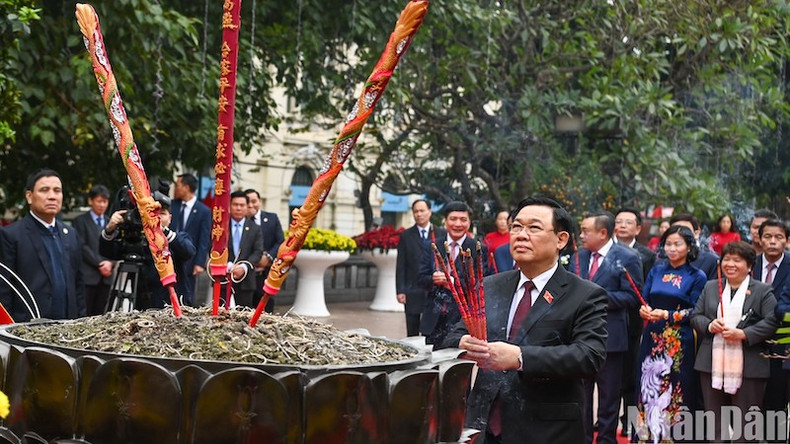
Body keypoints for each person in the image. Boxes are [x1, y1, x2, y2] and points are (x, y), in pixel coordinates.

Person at [443, 196, 608, 444]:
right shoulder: (490, 286)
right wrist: (463, 343)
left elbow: (589, 356)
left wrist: (520, 358)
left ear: (561, 240)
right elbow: (453, 337)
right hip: (484, 425)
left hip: (545, 429)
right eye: (516, 227)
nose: (521, 235)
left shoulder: (585, 294)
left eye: (534, 228)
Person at [691, 241, 778, 443]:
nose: (730, 264)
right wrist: (710, 325)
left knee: (746, 421)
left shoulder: (763, 290)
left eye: (737, 260)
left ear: (749, 266)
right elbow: (696, 316)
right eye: (727, 259)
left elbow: (772, 321)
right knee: (714, 418)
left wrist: (744, 334)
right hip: (711, 361)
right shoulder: (711, 286)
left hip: (749, 362)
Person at [570, 210, 642, 444]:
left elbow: (632, 297)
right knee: (581, 395)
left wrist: (594, 298)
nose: (581, 235)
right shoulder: (578, 256)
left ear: (602, 233)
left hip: (611, 338)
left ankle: (606, 440)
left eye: (585, 231)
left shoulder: (627, 257)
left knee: (609, 398)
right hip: (579, 338)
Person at [633, 225, 707, 443]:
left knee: (676, 387)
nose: (672, 248)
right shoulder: (657, 270)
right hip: (653, 336)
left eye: (678, 244)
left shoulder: (696, 275)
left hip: (679, 339)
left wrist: (667, 314)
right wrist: (643, 309)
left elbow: (696, 310)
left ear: (689, 247)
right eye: (668, 244)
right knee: (649, 383)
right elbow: (645, 299)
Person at [0, 169, 86, 322]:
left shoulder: (70, 233)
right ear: (29, 196)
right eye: (44, 190)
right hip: (28, 329)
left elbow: (78, 284)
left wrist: (81, 321)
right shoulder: (11, 235)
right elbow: (4, 290)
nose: (52, 196)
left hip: (68, 327)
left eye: (57, 191)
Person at [101, 189, 195, 309]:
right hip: (142, 305)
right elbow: (107, 252)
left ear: (170, 218)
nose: (156, 217)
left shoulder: (178, 238)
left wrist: (161, 231)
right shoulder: (137, 239)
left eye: (162, 213)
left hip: (172, 305)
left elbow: (188, 251)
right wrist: (109, 230)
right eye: (152, 213)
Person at [418, 201, 488, 348]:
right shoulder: (432, 246)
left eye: (463, 220)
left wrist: (452, 282)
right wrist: (433, 279)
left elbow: (482, 284)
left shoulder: (477, 249)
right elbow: (419, 279)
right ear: (445, 221)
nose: (458, 224)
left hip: (462, 321)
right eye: (453, 219)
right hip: (433, 319)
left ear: (469, 223)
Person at [613, 206, 657, 437]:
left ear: (638, 229)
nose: (622, 225)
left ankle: (630, 424)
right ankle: (605, 423)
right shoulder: (605, 251)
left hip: (632, 323)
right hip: (607, 323)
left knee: (631, 377)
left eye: (628, 222)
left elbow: (646, 291)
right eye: (618, 221)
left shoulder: (647, 256)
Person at [754, 219, 790, 442]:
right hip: (750, 343)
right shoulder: (749, 264)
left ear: (787, 240)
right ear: (759, 238)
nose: (773, 242)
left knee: (776, 402)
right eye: (768, 236)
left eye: (778, 237)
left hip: (783, 345)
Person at [72, 184, 114, 315]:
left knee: (102, 314)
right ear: (91, 201)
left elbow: (115, 246)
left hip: (107, 277)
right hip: (88, 276)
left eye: (105, 201)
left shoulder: (111, 221)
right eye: (99, 201)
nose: (102, 205)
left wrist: (110, 263)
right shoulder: (80, 221)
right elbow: (82, 246)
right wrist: (100, 263)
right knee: (85, 313)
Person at [170, 173, 211, 306]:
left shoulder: (203, 211)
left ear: (186, 187)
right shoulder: (172, 205)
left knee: (187, 296)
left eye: (178, 185)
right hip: (170, 259)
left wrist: (200, 262)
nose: (175, 189)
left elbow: (204, 239)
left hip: (190, 261)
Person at [396, 199, 435, 336]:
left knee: (432, 330)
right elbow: (401, 264)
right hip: (412, 289)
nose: (419, 214)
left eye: (422, 211)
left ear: (430, 212)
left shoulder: (440, 234)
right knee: (412, 330)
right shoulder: (406, 236)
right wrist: (400, 290)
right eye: (416, 211)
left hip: (433, 289)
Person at [245, 189, 284, 313]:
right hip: (246, 276)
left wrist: (268, 257)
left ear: (260, 201)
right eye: (248, 202)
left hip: (265, 273)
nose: (251, 205)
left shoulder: (272, 218)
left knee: (266, 309)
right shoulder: (241, 221)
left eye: (254, 201)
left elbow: (280, 242)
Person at [224, 190, 263, 308]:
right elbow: (212, 247)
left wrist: (244, 267)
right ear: (230, 206)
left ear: (247, 207)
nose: (238, 208)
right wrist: (229, 265)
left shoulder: (255, 228)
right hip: (223, 278)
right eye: (235, 205)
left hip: (246, 280)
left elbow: (258, 252)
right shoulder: (221, 226)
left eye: (242, 205)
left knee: (243, 316)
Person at [669, 213, 719, 280]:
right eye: (674, 230)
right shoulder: (661, 262)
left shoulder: (711, 261)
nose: (678, 235)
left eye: (684, 230)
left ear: (696, 233)